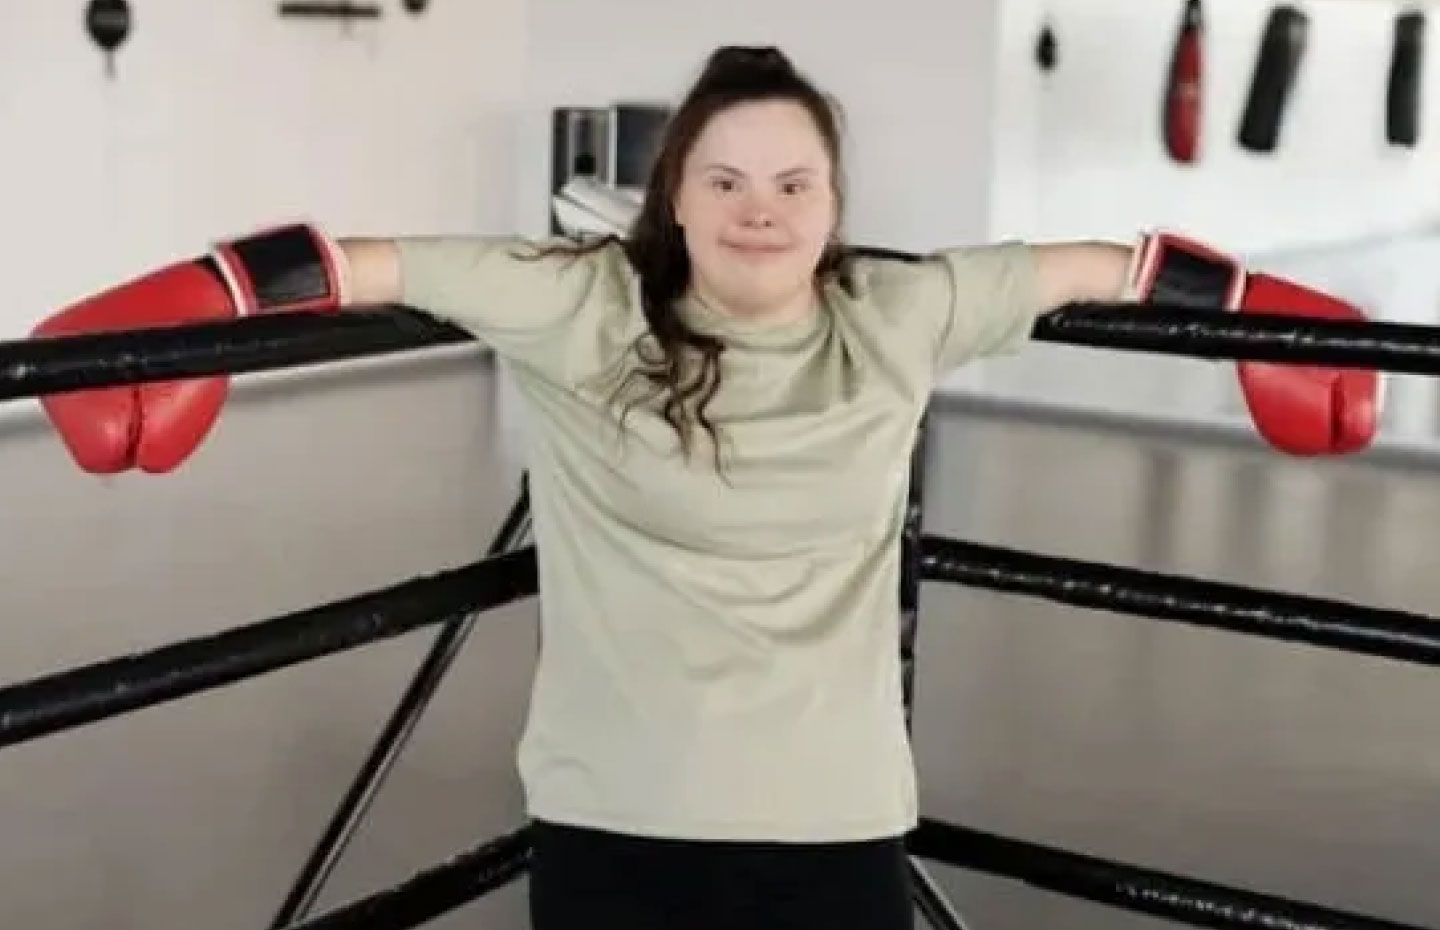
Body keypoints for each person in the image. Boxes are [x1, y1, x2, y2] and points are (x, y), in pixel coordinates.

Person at [31, 46, 1378, 930]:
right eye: (725, 177)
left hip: (835, 822)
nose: (761, 206)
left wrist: (1259, 311)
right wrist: (201, 301)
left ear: (834, 199)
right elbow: (355, 260)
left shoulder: (896, 309)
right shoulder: (580, 302)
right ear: (674, 195)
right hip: (618, 817)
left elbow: (1109, 262)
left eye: (795, 180)